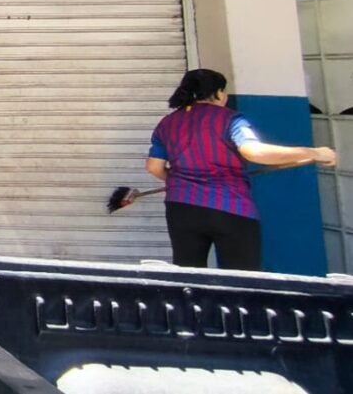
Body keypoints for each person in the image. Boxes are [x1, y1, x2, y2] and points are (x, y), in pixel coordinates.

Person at [142, 68, 336, 271]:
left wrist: (177, 182)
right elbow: (255, 152)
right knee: (243, 278)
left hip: (181, 207)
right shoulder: (230, 119)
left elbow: (154, 167)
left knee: (188, 274)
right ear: (217, 93)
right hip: (230, 207)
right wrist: (312, 152)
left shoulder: (168, 123)